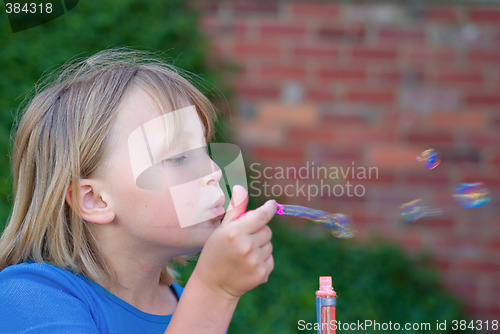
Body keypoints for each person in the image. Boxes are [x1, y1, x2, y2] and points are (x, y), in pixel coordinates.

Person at [0, 48, 275, 333]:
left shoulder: (187, 305)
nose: (214, 171)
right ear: (95, 200)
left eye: (203, 150)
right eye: (179, 158)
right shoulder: (30, 298)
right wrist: (215, 291)